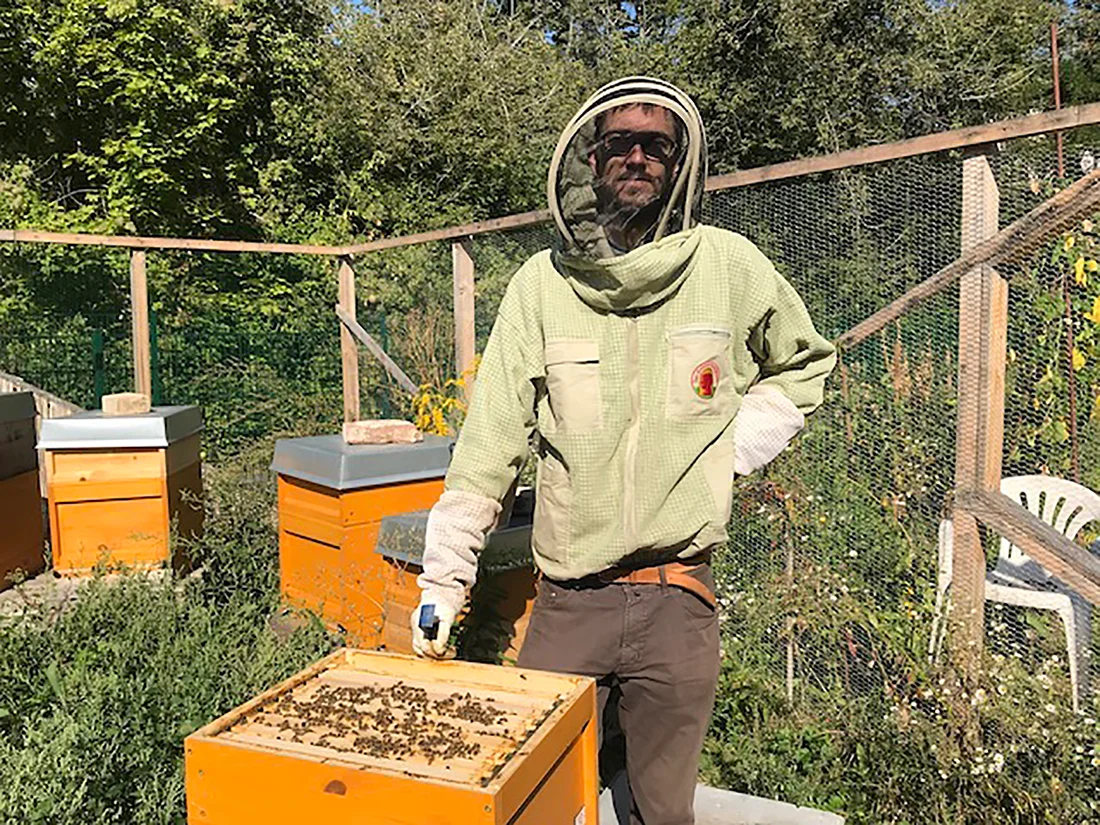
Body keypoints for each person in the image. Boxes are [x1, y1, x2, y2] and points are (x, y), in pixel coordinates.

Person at [410, 77, 836, 824]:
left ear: (679, 164)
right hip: (572, 602)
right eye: (620, 143)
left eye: (656, 145)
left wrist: (730, 448)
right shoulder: (541, 288)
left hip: (680, 599)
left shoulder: (730, 268)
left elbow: (804, 365)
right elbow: (490, 447)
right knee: (535, 801)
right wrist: (444, 583)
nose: (637, 157)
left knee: (661, 811)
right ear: (589, 157)